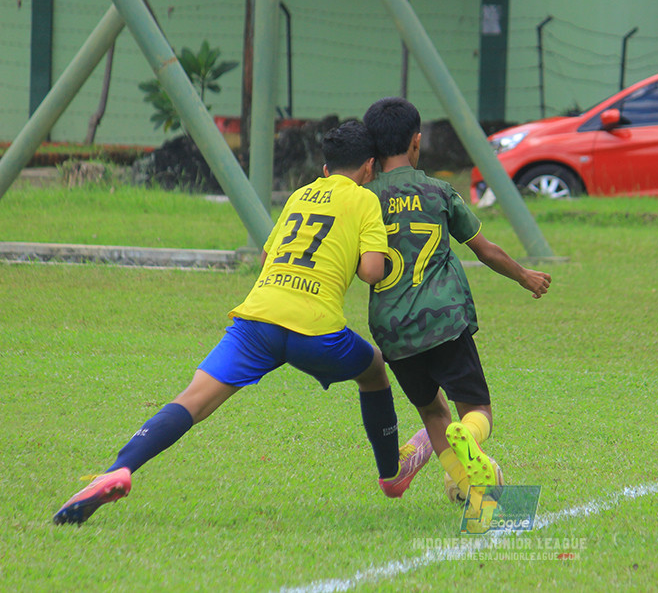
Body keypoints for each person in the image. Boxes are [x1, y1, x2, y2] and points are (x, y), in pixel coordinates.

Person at [53, 120, 428, 525]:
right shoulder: (364, 200)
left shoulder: (300, 196)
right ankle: (392, 474)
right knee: (373, 370)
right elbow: (372, 271)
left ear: (325, 168)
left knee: (193, 399)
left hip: (258, 318)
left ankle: (119, 469)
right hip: (316, 329)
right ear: (369, 168)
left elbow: (268, 258)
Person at [361, 97, 551, 503]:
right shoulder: (439, 192)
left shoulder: (363, 199)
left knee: (432, 411)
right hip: (444, 321)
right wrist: (524, 276)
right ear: (416, 142)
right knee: (476, 409)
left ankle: (463, 483)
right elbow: (485, 249)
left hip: (393, 329)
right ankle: (470, 439)